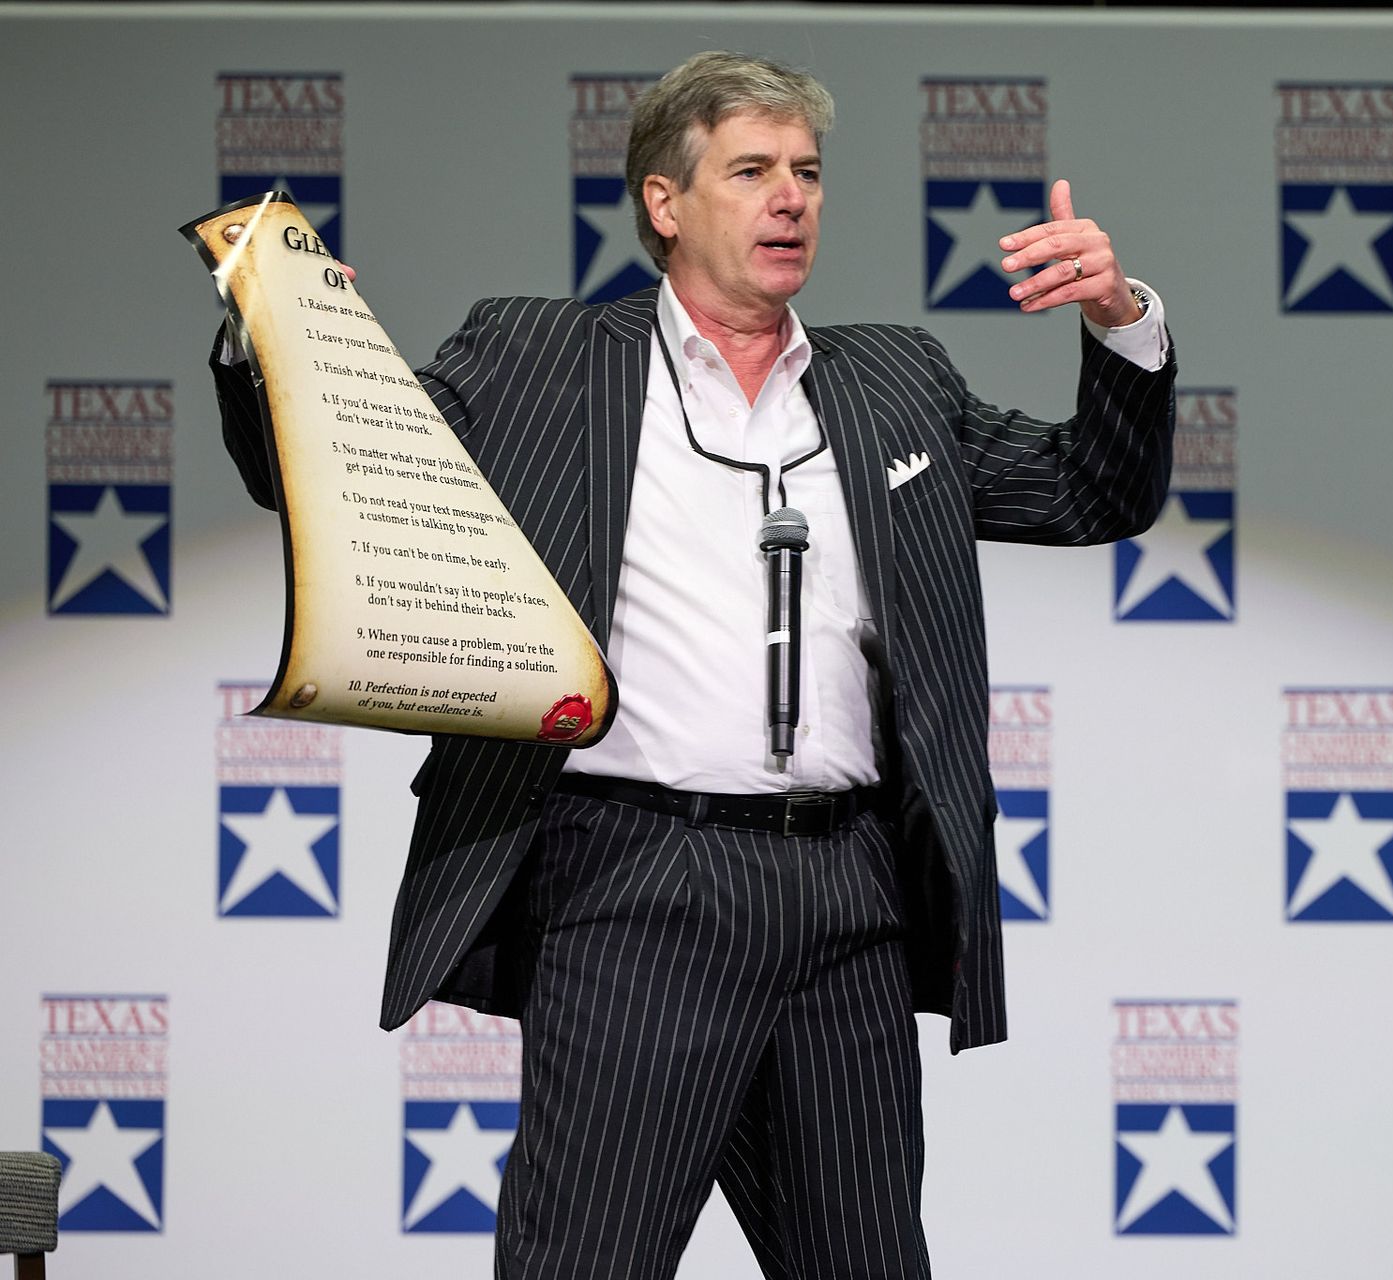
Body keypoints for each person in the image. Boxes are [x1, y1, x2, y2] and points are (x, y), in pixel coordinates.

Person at [214, 50, 1174, 1280]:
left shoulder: (897, 382)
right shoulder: (538, 358)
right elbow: (326, 470)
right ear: (666, 203)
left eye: (810, 173)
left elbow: (1094, 489)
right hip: (633, 886)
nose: (793, 199)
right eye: (754, 171)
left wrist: (1120, 320)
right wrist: (277, 338)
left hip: (850, 897)